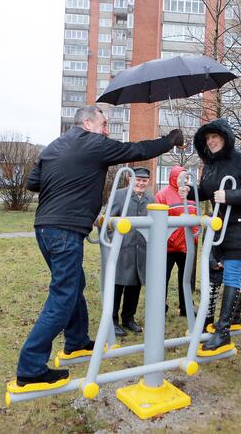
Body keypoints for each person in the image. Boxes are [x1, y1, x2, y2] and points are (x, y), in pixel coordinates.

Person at [14, 105, 183, 389]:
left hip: (44, 228)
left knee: (73, 284)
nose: (107, 130)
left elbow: (33, 183)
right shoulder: (94, 143)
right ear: (88, 123)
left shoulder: (54, 146)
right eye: (104, 124)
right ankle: (30, 367)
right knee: (62, 296)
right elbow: (135, 150)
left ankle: (77, 341)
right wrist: (169, 141)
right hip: (66, 230)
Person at [184, 118, 241, 352]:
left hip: (240, 228)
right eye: (207, 138)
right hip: (219, 227)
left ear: (225, 138)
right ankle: (221, 321)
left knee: (231, 273)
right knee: (214, 272)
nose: (210, 142)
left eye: (215, 137)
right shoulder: (210, 165)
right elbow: (206, 192)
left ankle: (223, 333)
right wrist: (190, 192)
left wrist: (230, 196)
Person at [108, 167, 153, 337]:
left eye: (144, 180)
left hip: (141, 250)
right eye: (138, 180)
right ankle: (112, 320)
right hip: (122, 250)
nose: (141, 183)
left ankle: (128, 318)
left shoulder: (150, 198)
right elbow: (109, 221)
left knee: (135, 286)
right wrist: (114, 240)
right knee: (117, 285)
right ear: (130, 179)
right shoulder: (119, 195)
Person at [154, 166, 198, 316]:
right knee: (162, 277)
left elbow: (196, 216)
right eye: (181, 177)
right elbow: (158, 219)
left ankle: (186, 307)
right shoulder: (162, 195)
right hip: (168, 246)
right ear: (173, 177)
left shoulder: (190, 194)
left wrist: (194, 236)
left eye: (186, 177)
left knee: (186, 278)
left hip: (187, 245)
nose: (184, 180)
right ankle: (160, 307)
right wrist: (170, 238)